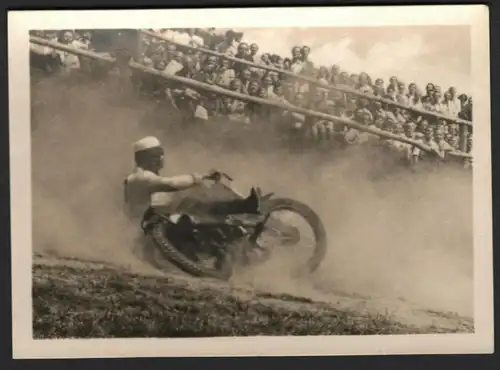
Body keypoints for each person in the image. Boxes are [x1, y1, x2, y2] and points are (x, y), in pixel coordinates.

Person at [124, 136, 260, 221]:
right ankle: (244, 206)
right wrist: (201, 177)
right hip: (147, 226)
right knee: (197, 203)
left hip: (147, 223)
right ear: (152, 158)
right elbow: (171, 184)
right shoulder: (141, 177)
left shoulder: (138, 177)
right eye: (159, 155)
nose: (162, 159)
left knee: (189, 198)